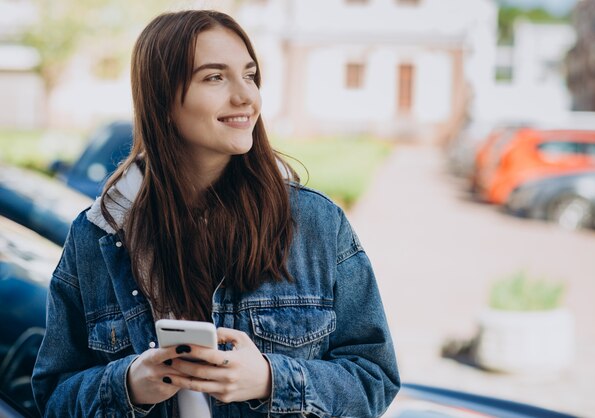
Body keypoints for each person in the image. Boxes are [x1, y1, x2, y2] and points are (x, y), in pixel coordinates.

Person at [32, 9, 400, 417]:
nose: (245, 96)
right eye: (215, 77)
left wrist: (268, 378)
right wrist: (130, 384)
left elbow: (374, 379)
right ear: (162, 98)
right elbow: (54, 397)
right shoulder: (97, 235)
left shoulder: (316, 224)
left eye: (250, 75)